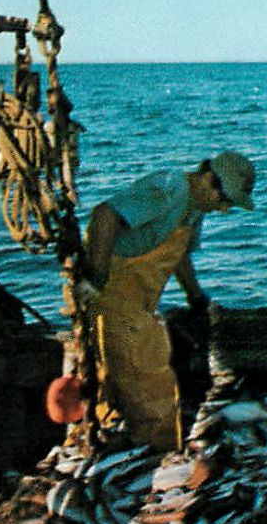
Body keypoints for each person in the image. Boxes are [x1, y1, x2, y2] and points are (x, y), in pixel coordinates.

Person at [80, 151, 256, 451]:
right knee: (151, 372)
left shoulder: (194, 210)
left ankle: (124, 436)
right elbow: (105, 215)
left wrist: (196, 297)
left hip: (140, 302)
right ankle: (154, 453)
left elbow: (180, 256)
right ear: (209, 180)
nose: (224, 210)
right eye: (225, 200)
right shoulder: (170, 187)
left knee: (123, 370)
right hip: (112, 294)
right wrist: (95, 276)